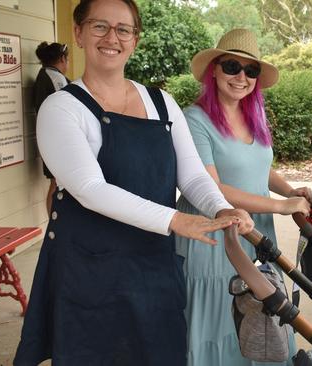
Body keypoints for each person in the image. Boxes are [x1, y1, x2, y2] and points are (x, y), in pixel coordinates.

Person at [14, 1, 252, 365]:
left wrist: (222, 207)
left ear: (135, 39)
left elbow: (190, 175)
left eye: (123, 29)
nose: (112, 37)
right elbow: (90, 189)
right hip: (88, 269)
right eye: (99, 27)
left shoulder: (162, 103)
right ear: (78, 33)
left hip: (153, 265)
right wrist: (175, 220)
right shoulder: (61, 108)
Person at [176, 28, 312, 366]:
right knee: (220, 322)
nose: (241, 77)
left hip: (256, 233)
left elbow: (259, 167)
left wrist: (289, 190)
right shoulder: (195, 119)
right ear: (214, 70)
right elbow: (212, 186)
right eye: (232, 67)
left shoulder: (255, 116)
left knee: (262, 318)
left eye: (250, 70)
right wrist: (280, 206)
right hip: (215, 236)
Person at [33, 41, 70, 214]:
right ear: (62, 59)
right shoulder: (55, 78)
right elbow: (66, 106)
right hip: (56, 139)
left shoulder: (45, 74)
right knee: (57, 182)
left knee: (57, 182)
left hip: (50, 138)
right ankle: (54, 225)